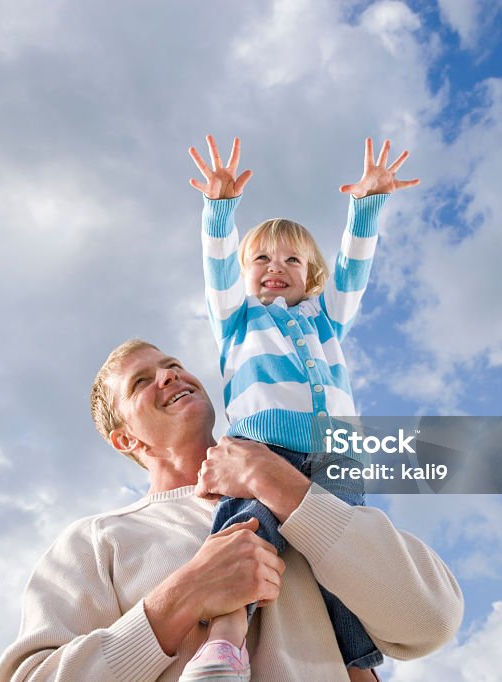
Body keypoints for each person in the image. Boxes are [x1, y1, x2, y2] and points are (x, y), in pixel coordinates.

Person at [0, 340, 463, 682]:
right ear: (126, 439)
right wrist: (183, 596)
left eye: (172, 364)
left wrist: (279, 483)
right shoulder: (96, 540)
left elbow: (432, 619)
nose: (170, 375)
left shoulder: (305, 490)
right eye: (141, 381)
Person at [179, 135, 418, 679]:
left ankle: (358, 667)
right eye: (261, 257)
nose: (275, 266)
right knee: (248, 525)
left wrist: (367, 205)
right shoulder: (238, 319)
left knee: (344, 556)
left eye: (292, 259)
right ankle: (226, 634)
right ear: (246, 274)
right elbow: (217, 268)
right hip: (260, 444)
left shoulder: (326, 318)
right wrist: (219, 210)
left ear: (311, 275)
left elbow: (353, 269)